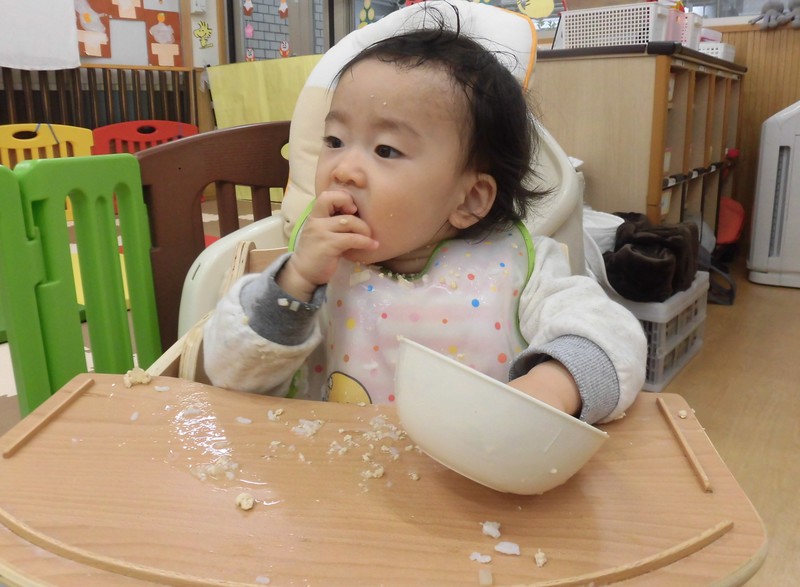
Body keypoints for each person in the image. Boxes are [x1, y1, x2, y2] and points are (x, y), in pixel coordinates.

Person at [203, 19, 646, 425]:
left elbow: (614, 337)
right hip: (329, 480)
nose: (343, 170)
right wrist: (295, 282)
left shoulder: (520, 269)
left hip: (471, 483)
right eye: (335, 141)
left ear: (470, 199)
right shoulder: (317, 269)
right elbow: (230, 373)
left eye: (386, 150)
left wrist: (551, 386)